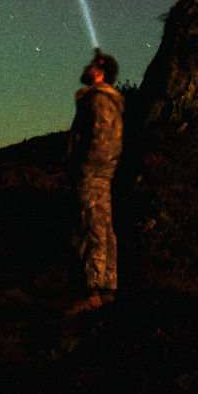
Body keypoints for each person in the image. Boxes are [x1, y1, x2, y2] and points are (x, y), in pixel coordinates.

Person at [65, 50, 123, 313]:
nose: (86, 68)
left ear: (99, 73)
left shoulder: (98, 100)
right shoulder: (99, 100)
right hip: (99, 174)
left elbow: (102, 141)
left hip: (93, 174)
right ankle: (106, 289)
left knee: (92, 227)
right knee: (102, 226)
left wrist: (85, 167)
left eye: (91, 65)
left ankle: (93, 294)